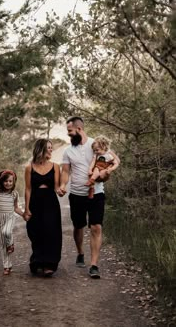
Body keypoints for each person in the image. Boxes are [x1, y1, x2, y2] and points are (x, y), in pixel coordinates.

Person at [57, 117, 120, 279]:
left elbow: (113, 160)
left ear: (79, 129)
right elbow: (65, 171)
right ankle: (80, 252)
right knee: (78, 226)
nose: (68, 135)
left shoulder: (96, 144)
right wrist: (63, 185)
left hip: (97, 193)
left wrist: (107, 172)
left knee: (96, 227)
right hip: (77, 194)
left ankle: (94, 265)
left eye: (70, 131)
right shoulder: (68, 151)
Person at [24, 138, 62, 277]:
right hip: (35, 201)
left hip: (50, 202)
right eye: (49, 147)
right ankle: (37, 260)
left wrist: (60, 191)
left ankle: (49, 264)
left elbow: (57, 187)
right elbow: (28, 189)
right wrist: (27, 209)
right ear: (41, 149)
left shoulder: (56, 167)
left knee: (51, 232)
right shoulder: (29, 168)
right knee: (35, 232)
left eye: (52, 148)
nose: (51, 150)